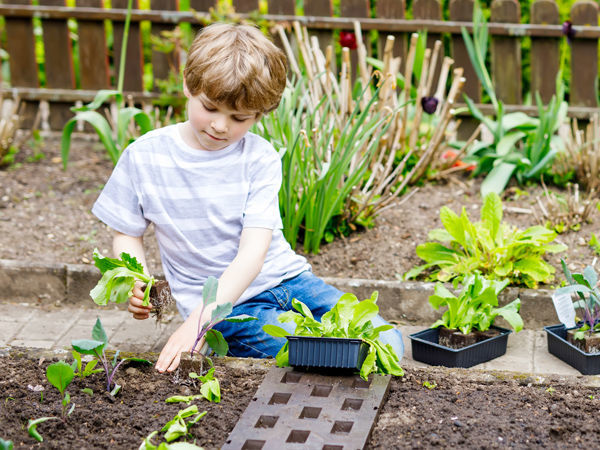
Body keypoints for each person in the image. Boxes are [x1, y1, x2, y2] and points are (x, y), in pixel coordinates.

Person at [92, 22, 404, 373]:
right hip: (221, 309)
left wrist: (191, 329)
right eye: (210, 108)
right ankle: (234, 339)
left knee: (386, 341)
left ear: (260, 114)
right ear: (187, 85)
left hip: (288, 283)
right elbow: (126, 231)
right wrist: (139, 282)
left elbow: (253, 256)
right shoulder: (145, 156)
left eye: (239, 117)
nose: (221, 126)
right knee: (309, 346)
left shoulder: (259, 157)